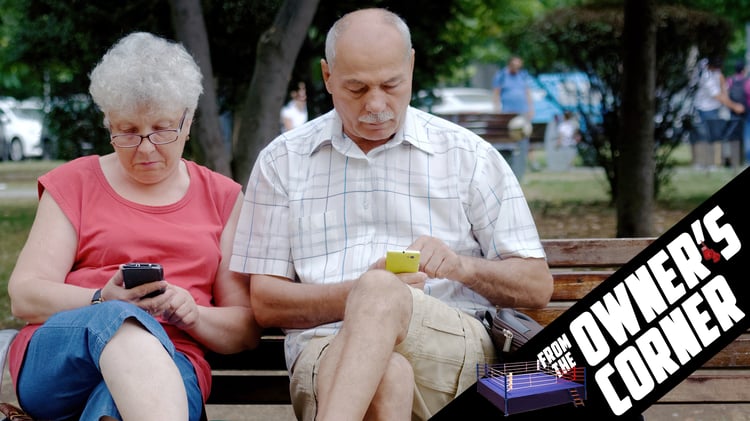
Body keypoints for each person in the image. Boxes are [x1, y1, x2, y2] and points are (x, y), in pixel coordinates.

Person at [230, 8, 553, 421]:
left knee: (380, 292)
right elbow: (268, 304)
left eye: (391, 84)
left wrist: (459, 267)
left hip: (448, 350)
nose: (377, 104)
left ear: (412, 65)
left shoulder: (467, 155)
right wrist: (365, 294)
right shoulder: (282, 160)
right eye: (357, 88)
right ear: (327, 76)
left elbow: (536, 284)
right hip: (325, 349)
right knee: (386, 372)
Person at [6, 32, 261, 421]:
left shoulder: (222, 197)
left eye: (161, 129)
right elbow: (25, 295)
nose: (145, 148)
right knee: (121, 319)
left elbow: (244, 330)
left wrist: (192, 314)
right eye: (127, 131)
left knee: (116, 405)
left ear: (188, 120)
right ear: (108, 121)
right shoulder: (74, 183)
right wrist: (102, 300)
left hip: (172, 365)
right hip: (62, 359)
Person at [692, 57, 744, 169]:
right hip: (705, 109)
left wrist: (724, 88)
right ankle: (705, 163)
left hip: (715, 108)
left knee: (715, 137)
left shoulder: (714, 69)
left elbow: (722, 85)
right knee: (707, 137)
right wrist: (734, 106)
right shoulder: (706, 77)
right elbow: (718, 96)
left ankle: (713, 161)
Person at [492, 56, 536, 173]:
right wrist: (497, 108)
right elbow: (496, 93)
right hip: (507, 112)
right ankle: (509, 164)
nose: (516, 69)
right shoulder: (501, 75)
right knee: (509, 139)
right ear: (509, 65)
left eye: (519, 67)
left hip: (522, 111)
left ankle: (527, 164)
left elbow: (527, 92)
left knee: (525, 137)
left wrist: (531, 108)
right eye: (515, 66)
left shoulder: (522, 75)